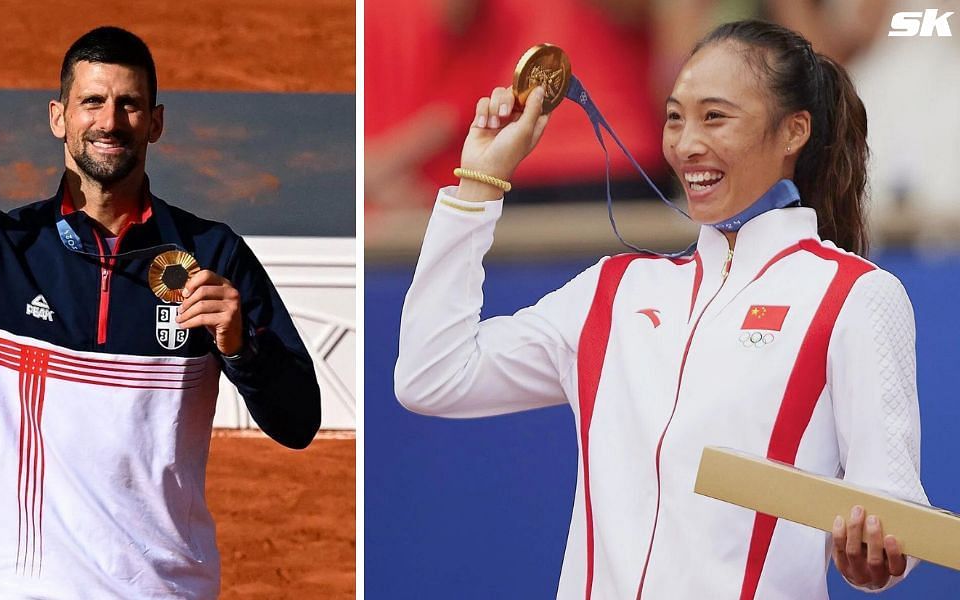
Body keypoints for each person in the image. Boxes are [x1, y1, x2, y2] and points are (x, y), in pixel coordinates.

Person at [395, 19, 927, 599]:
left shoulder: (853, 294)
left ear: (794, 131)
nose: (687, 143)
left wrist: (875, 559)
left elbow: (893, 512)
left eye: (715, 117)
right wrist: (481, 182)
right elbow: (432, 377)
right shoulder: (615, 290)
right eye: (675, 117)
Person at [0, 26, 320, 599]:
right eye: (92, 101)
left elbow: (297, 423)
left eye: (130, 104)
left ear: (156, 121)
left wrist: (242, 344)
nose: (110, 121)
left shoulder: (213, 257)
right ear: (57, 117)